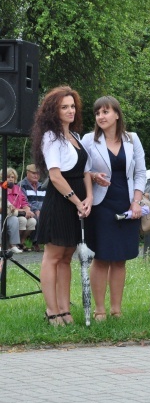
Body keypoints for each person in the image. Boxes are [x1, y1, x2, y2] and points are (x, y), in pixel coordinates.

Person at [31, 86, 93, 326]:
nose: (70, 110)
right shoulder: (51, 137)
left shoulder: (76, 137)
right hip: (60, 202)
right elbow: (55, 176)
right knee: (54, 255)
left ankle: (65, 310)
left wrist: (88, 198)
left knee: (67, 255)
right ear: (53, 111)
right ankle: (51, 310)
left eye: (72, 106)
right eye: (64, 107)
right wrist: (77, 201)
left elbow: (85, 172)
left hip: (77, 202)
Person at [82, 96, 146, 321]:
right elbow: (81, 170)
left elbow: (140, 173)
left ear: (117, 114)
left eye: (105, 112)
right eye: (97, 113)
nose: (101, 116)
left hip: (127, 204)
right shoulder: (89, 140)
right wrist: (92, 175)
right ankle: (99, 310)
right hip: (101, 206)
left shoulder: (132, 139)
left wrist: (136, 202)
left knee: (120, 259)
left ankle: (116, 310)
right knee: (101, 258)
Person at [1, 167, 37, 252]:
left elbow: (24, 202)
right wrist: (23, 211)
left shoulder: (17, 188)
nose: (10, 179)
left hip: (20, 213)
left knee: (32, 221)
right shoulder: (2, 188)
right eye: (8, 177)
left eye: (12, 177)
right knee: (22, 220)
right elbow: (8, 207)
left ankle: (21, 242)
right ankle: (11, 244)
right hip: (11, 214)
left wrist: (27, 210)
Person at [19, 164, 46, 252]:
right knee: (36, 217)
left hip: (43, 210)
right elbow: (25, 201)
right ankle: (36, 242)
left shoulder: (42, 186)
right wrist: (35, 210)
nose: (36, 175)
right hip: (28, 210)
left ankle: (52, 243)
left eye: (38, 173)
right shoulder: (22, 185)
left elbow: (45, 200)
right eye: (33, 173)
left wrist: (44, 210)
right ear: (27, 173)